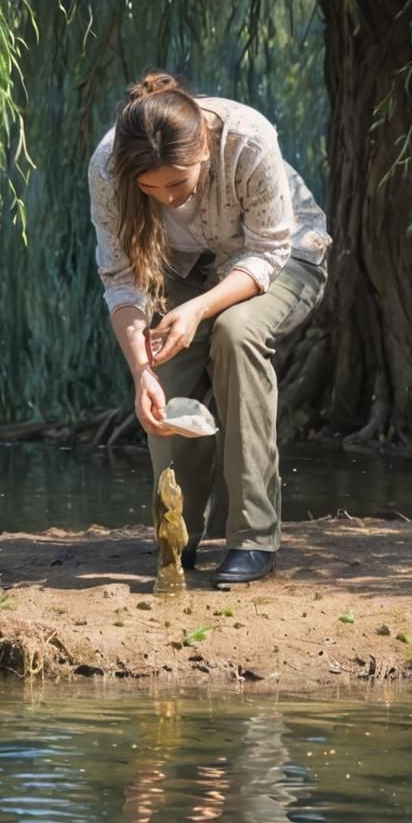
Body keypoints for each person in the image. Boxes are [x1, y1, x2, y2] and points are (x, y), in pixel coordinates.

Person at [88, 70, 331, 586]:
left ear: (203, 148)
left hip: (284, 259)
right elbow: (122, 280)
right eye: (151, 190)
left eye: (177, 182)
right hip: (180, 273)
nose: (168, 199)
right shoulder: (108, 168)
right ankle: (179, 538)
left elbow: (269, 250)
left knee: (235, 334)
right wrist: (140, 373)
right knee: (165, 376)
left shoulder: (248, 138)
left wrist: (198, 309)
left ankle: (253, 538)